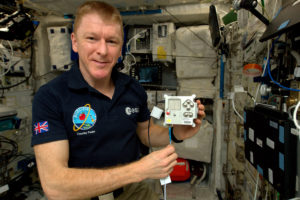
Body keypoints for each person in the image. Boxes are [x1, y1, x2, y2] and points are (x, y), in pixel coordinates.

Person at [31, 1, 206, 200]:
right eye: (92, 38)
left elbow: (145, 132)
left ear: (120, 47)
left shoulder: (132, 88)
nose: (103, 51)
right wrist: (139, 170)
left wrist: (175, 132)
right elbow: (55, 186)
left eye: (112, 41)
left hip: (131, 192)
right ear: (75, 42)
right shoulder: (51, 97)